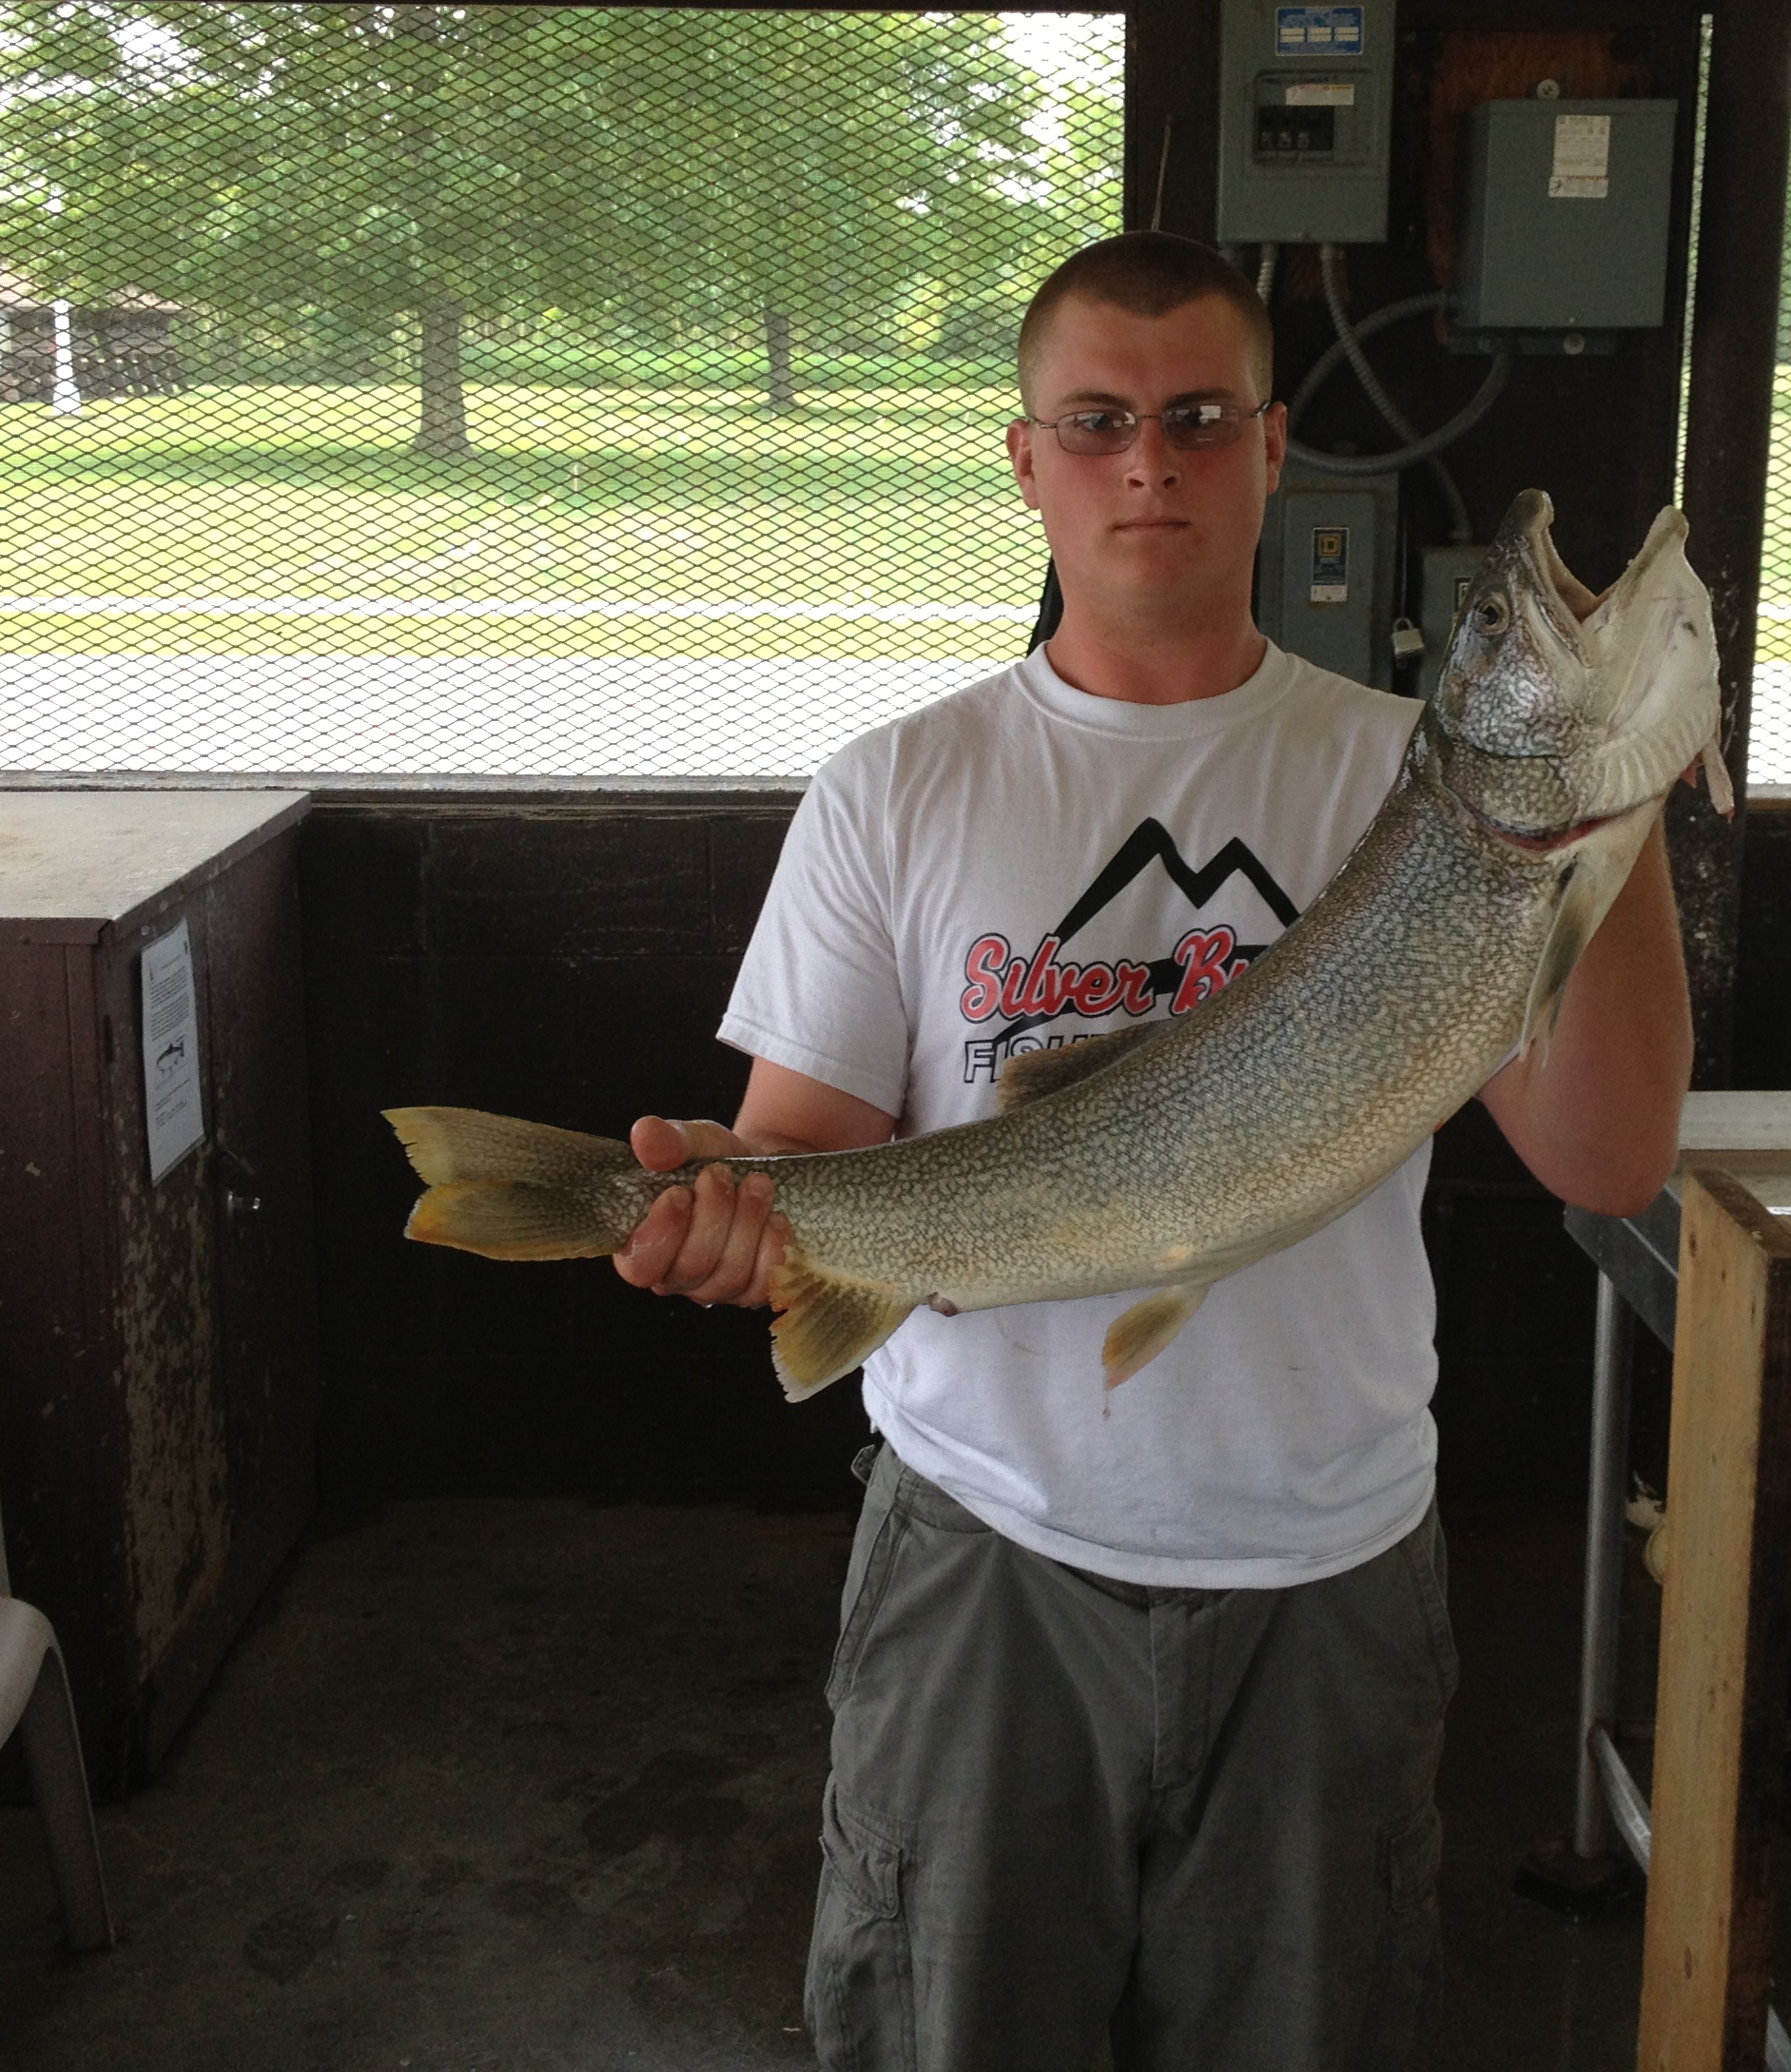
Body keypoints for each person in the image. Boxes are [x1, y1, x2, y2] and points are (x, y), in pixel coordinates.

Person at [613, 232, 1692, 2071]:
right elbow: (807, 1154)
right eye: (1098, 422)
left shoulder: (1407, 785)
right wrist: (727, 1215)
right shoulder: (899, 783)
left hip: (1328, 1563)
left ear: (1276, 451)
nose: (1150, 464)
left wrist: (1615, 814)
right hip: (985, 1551)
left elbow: (1606, 1158)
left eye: (1199, 418)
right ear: (1025, 460)